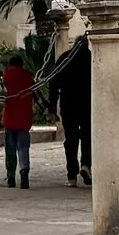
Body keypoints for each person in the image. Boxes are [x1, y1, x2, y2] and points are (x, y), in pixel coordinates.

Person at [48, 33, 92, 189]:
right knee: (88, 136)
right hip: (88, 104)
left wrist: (52, 105)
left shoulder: (65, 58)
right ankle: (86, 164)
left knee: (71, 140)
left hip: (69, 104)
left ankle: (71, 175)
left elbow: (53, 82)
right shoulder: (91, 58)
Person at [0, 49, 35, 189]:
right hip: (24, 119)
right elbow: (36, 97)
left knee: (10, 150)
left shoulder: (6, 77)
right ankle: (24, 172)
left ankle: (11, 177)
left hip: (10, 119)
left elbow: (2, 97)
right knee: (23, 148)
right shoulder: (28, 78)